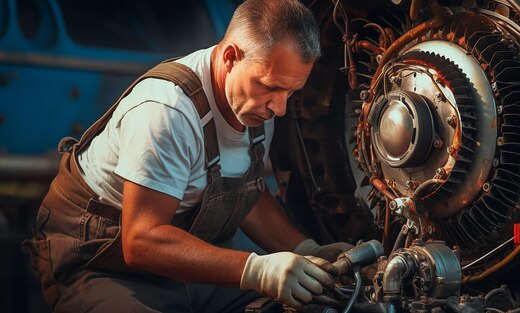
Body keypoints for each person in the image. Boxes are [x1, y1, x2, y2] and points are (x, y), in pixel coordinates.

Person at [25, 0, 354, 311]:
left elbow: (247, 194)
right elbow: (141, 241)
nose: (279, 108)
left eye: (291, 92)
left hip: (186, 259)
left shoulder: (256, 107)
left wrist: (305, 250)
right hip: (102, 264)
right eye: (270, 87)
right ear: (229, 58)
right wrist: (259, 270)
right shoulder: (168, 112)